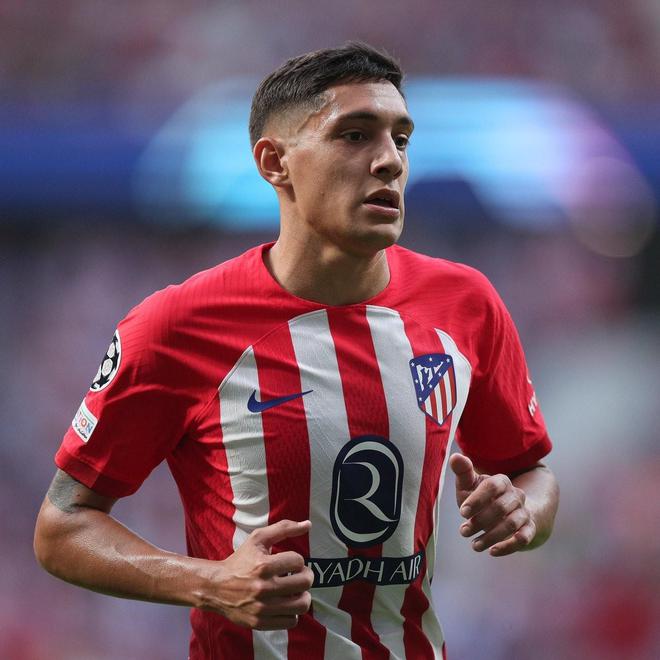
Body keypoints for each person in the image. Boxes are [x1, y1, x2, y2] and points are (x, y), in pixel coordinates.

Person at [34, 42, 559, 659]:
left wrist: (523, 511)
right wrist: (208, 583)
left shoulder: (466, 304)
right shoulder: (177, 325)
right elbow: (62, 527)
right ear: (274, 162)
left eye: (401, 140)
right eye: (354, 135)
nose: (389, 161)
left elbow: (531, 473)